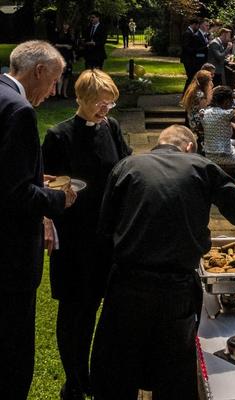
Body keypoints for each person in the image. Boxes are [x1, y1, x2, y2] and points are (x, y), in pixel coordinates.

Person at [91, 125, 235, 399]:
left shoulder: (126, 166)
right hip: (175, 288)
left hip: (126, 285)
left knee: (119, 367)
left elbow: (104, 230)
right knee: (174, 371)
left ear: (160, 143)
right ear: (189, 147)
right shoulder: (201, 166)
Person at [42, 69, 131, 400]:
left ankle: (97, 374)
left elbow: (124, 166)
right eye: (99, 103)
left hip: (107, 235)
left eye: (109, 102)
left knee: (105, 311)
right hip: (75, 236)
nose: (104, 109)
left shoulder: (112, 127)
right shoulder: (59, 135)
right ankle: (75, 379)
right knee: (75, 314)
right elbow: (48, 184)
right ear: (81, 98)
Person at [0, 40, 76, 400]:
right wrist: (59, 198)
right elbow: (15, 195)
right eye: (55, 80)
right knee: (13, 357)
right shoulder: (19, 111)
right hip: (10, 258)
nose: (53, 91)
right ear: (39, 71)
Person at [179, 70, 213, 147]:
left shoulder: (193, 90)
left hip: (191, 120)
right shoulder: (201, 95)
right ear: (206, 82)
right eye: (210, 80)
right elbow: (204, 112)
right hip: (198, 123)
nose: (211, 82)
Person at [180, 18, 205, 91]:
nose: (198, 28)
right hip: (188, 59)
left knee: (191, 77)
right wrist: (196, 51)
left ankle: (187, 95)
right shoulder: (188, 33)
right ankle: (185, 95)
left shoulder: (190, 33)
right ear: (194, 24)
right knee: (191, 77)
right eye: (197, 26)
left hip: (189, 59)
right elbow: (186, 47)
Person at [53, 22, 75, 98]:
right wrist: (65, 46)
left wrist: (73, 57)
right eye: (65, 24)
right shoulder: (58, 33)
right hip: (61, 55)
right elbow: (55, 44)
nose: (66, 26)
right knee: (61, 74)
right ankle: (58, 93)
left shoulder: (70, 34)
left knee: (67, 76)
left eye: (67, 24)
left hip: (69, 56)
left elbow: (73, 46)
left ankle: (64, 93)